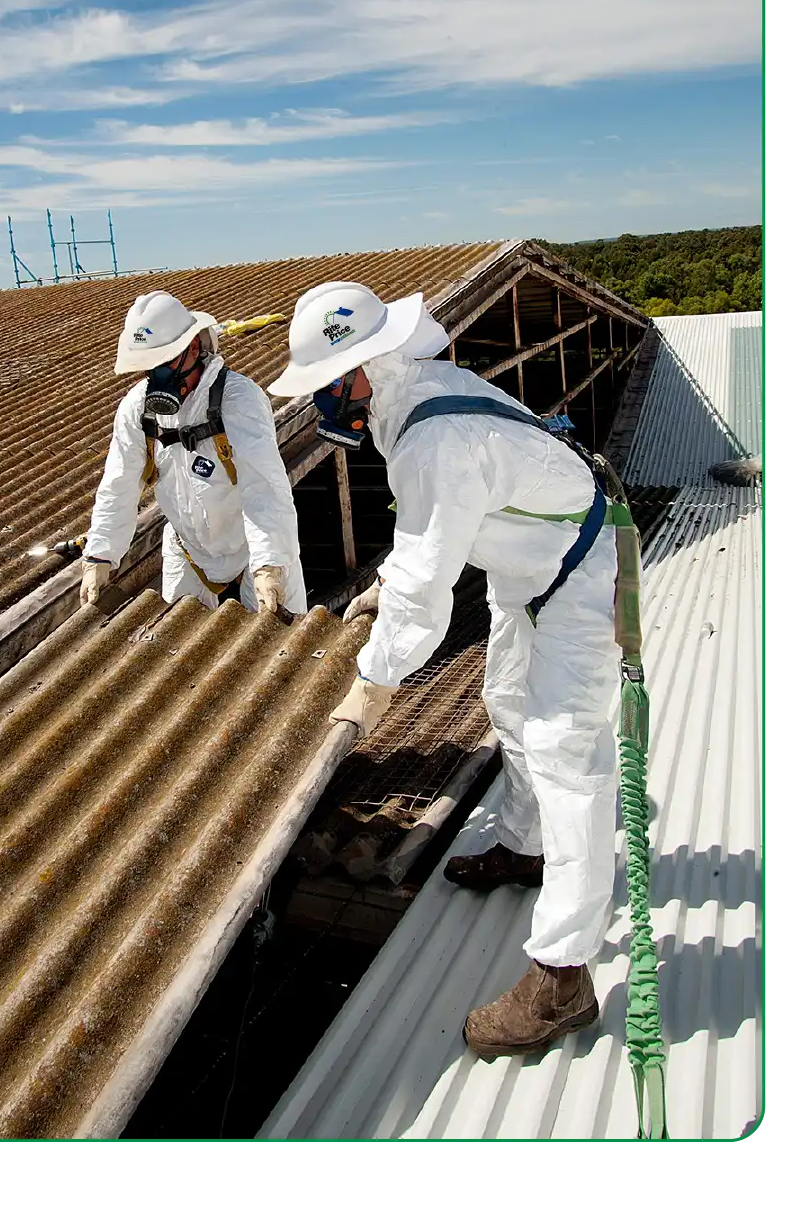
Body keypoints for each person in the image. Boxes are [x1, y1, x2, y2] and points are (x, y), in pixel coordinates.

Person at [269, 280, 627, 1057]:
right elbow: (430, 535)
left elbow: (428, 585)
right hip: (527, 565)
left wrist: (375, 679)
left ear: (362, 370)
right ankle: (527, 847)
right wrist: (385, 585)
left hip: (580, 570)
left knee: (566, 752)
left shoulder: (431, 438)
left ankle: (563, 977)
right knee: (506, 700)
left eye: (327, 384)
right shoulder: (413, 398)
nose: (322, 402)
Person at [81, 290, 307, 618]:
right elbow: (119, 484)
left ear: (194, 347)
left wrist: (270, 564)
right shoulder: (138, 408)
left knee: (279, 633)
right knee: (179, 636)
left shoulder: (238, 399)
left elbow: (264, 488)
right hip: (189, 550)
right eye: (149, 366)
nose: (158, 375)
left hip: (254, 547)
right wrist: (99, 556)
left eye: (165, 362)